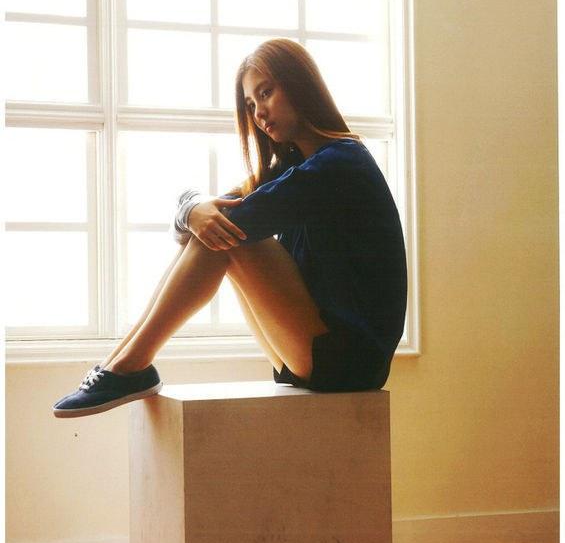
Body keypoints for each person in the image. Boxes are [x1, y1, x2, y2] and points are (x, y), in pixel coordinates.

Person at [53, 38, 407, 418]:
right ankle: (122, 362)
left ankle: (128, 366)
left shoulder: (341, 163)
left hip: (350, 361)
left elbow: (228, 224)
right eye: (251, 105)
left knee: (228, 235)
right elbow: (199, 223)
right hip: (314, 354)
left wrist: (198, 215)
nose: (259, 113)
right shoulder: (294, 168)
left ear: (300, 84)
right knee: (219, 230)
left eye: (266, 93)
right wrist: (193, 209)